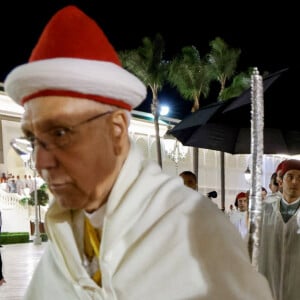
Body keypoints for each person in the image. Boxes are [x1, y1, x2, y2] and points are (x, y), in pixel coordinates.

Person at [4, 5, 273, 299]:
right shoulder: (64, 235)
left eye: (59, 133)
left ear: (117, 129)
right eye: (33, 140)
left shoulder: (191, 229)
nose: (42, 162)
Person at [258, 159, 300, 300]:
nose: (295, 182)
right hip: (268, 282)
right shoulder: (265, 210)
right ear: (280, 181)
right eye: (290, 177)